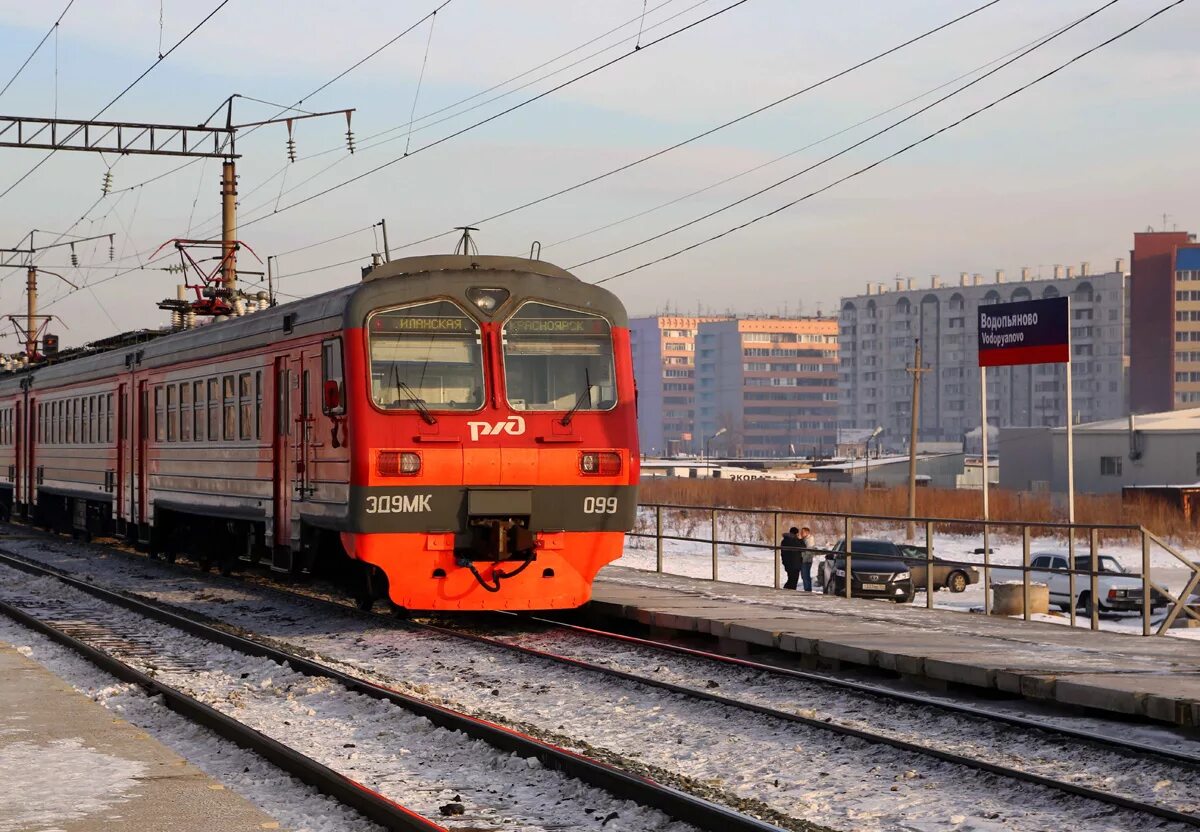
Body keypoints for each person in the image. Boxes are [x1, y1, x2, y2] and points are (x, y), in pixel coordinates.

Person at [798, 526, 817, 592]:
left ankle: (808, 589)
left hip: (806, 560)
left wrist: (803, 558)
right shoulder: (805, 539)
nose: (801, 533)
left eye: (802, 532)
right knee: (804, 575)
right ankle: (807, 588)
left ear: (807, 532)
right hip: (804, 559)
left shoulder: (809, 540)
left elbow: (808, 551)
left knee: (805, 575)